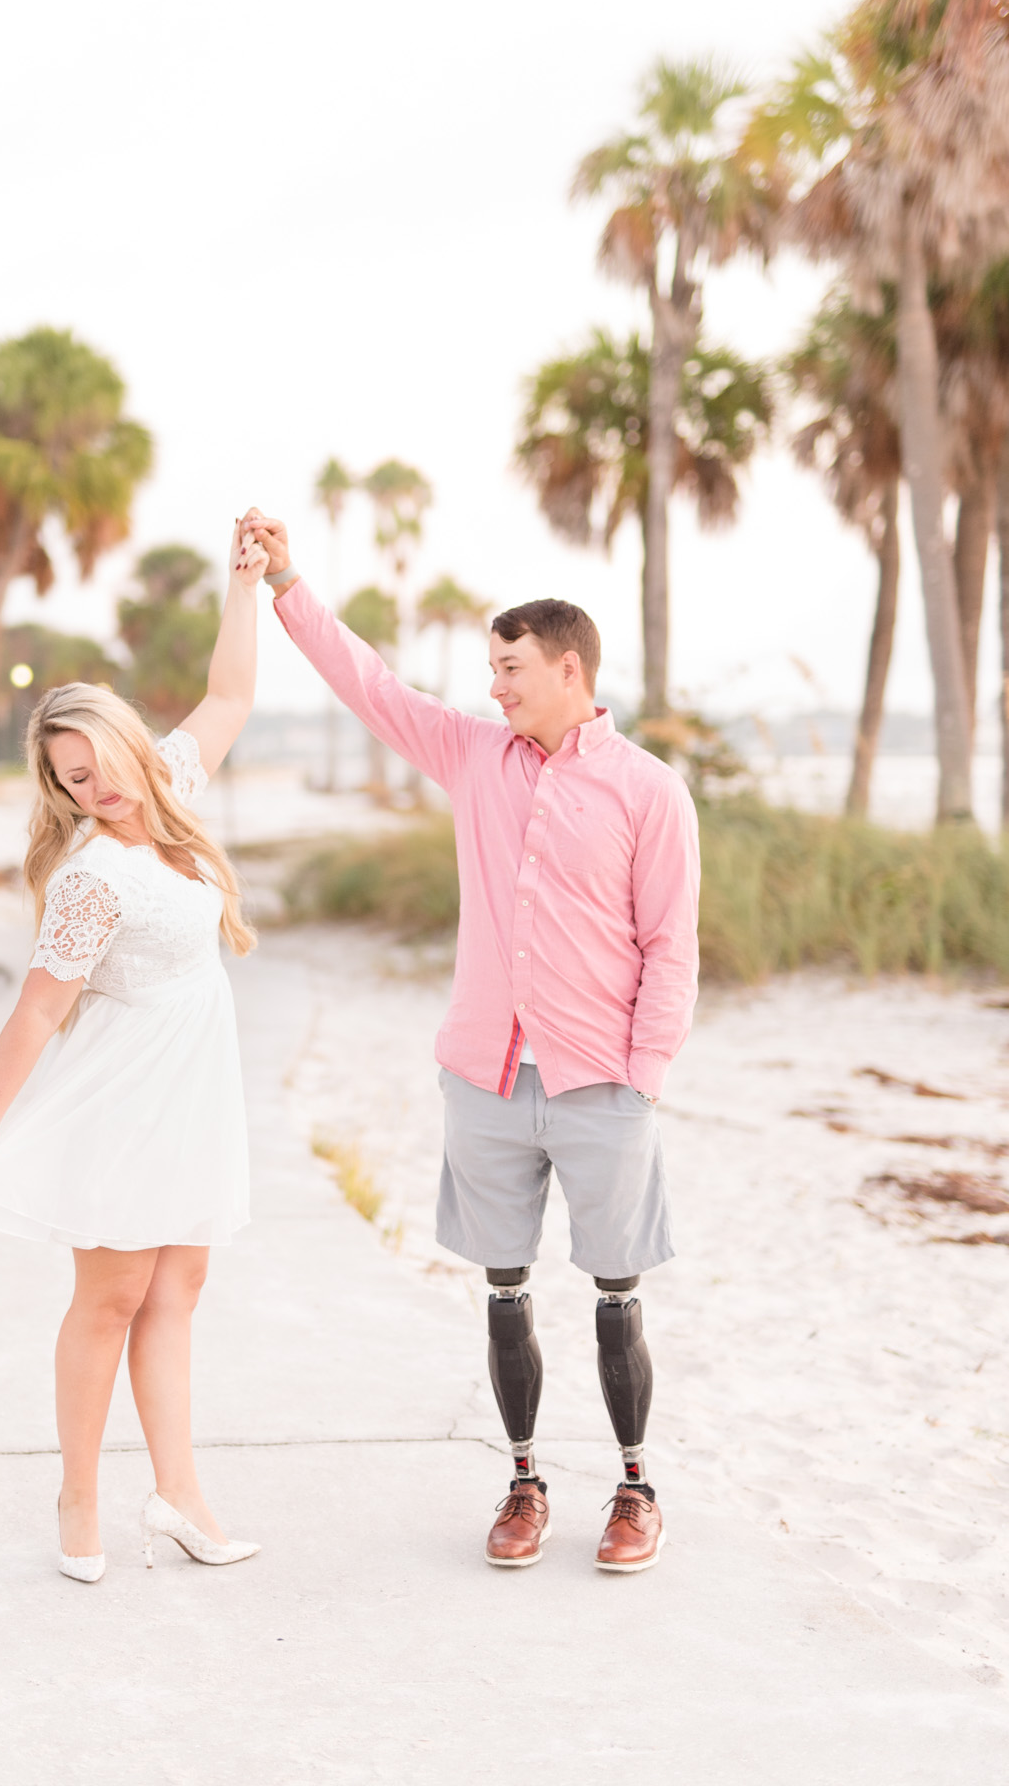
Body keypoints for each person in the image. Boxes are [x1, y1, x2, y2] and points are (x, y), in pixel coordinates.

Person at [242, 510, 699, 1575]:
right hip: (485, 1078)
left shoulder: (646, 789)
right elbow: (372, 686)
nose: (493, 686)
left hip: (601, 1085)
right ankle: (524, 1477)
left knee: (615, 1289)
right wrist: (289, 583)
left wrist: (644, 1075)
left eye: (510, 667)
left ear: (568, 667)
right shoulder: (470, 754)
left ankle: (633, 1485)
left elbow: (670, 944)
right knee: (502, 1288)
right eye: (491, 668)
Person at [0, 519, 270, 1584]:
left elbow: (227, 696)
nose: (95, 787)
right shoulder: (89, 878)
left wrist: (242, 582)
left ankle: (177, 1491)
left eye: (98, 764)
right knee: (113, 1294)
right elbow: (35, 1010)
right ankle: (78, 1490)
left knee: (180, 1288)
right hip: (126, 1094)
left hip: (195, 1086)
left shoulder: (167, 790)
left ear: (129, 742)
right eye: (72, 780)